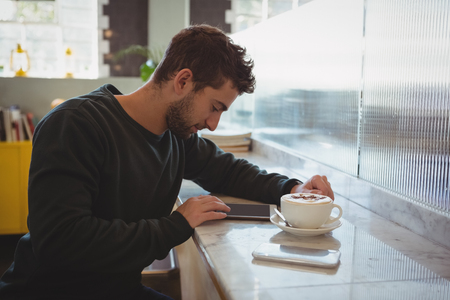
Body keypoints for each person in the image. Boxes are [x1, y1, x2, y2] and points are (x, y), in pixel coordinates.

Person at [0, 24, 333, 299]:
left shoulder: (176, 136)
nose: (214, 124)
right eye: (215, 107)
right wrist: (176, 225)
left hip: (118, 288)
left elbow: (227, 171)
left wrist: (292, 189)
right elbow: (61, 241)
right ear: (183, 81)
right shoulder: (76, 124)